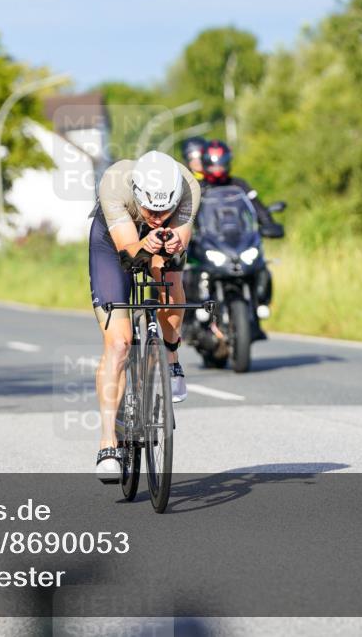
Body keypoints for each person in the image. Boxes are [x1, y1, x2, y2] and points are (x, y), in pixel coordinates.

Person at [88, 151, 201, 483]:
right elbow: (129, 252)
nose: (158, 215)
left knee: (170, 282)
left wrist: (169, 240)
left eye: (165, 210)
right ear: (139, 195)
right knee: (119, 343)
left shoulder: (189, 186)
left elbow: (180, 243)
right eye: (152, 210)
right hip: (113, 243)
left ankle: (171, 355)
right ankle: (108, 441)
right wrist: (145, 243)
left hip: (161, 244)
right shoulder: (115, 183)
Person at [196, 139, 280, 319]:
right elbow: (186, 214)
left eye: (221, 163)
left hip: (239, 240)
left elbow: (257, 207)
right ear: (205, 163)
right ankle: (197, 306)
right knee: (190, 268)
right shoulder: (198, 189)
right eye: (213, 163)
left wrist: (268, 224)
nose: (217, 168)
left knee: (262, 265)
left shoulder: (239, 185)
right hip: (211, 241)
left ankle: (261, 302)